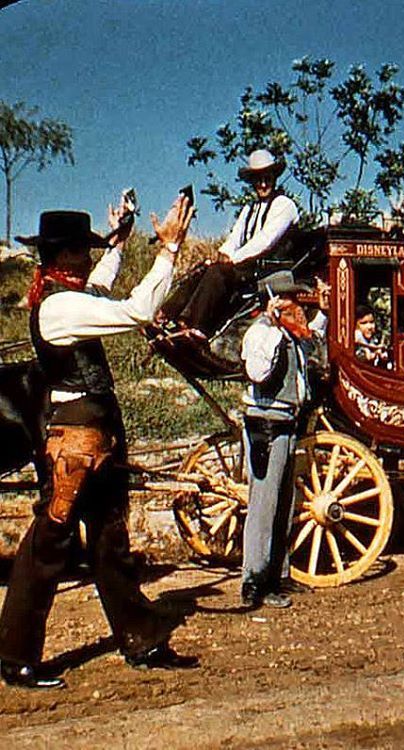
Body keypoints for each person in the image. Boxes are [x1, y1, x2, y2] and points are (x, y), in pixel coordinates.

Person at [0, 195, 197, 690]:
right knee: (50, 542)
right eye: (82, 251)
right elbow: (136, 311)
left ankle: (141, 637)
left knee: (109, 539)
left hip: (94, 435)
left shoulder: (66, 295)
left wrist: (119, 244)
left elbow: (100, 287)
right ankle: (15, 655)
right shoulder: (61, 307)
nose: (89, 259)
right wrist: (169, 251)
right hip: (76, 440)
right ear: (64, 255)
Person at [239, 270, 314, 610]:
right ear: (274, 301)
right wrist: (269, 325)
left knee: (283, 505)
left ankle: (277, 574)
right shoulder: (261, 333)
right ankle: (254, 581)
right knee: (264, 507)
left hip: (286, 423)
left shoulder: (288, 335)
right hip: (266, 427)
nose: (297, 305)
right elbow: (257, 372)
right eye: (291, 299)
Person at [175, 149, 299, 338]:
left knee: (217, 273)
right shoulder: (249, 209)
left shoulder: (284, 205)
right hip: (246, 266)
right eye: (258, 179)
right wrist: (223, 253)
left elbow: (265, 241)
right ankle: (167, 316)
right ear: (252, 182)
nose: (263, 184)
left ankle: (197, 327)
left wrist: (232, 259)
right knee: (203, 269)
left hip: (268, 269)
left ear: (274, 177)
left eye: (267, 178)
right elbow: (235, 237)